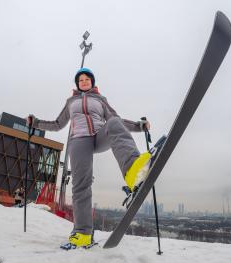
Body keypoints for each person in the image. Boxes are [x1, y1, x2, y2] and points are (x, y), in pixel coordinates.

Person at [28, 68, 151, 248]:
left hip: (100, 135)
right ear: (77, 84)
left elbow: (117, 120)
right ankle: (82, 233)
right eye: (81, 80)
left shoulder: (101, 100)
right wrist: (36, 122)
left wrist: (139, 126)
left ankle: (133, 170)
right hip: (79, 141)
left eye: (87, 79)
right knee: (81, 185)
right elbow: (57, 124)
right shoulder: (71, 101)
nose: (84, 82)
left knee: (114, 122)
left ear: (92, 82)